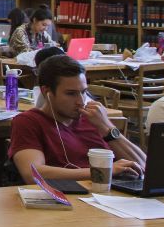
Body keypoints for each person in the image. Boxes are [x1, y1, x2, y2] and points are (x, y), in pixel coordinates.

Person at [8, 54, 145, 184]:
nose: (80, 101)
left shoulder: (94, 120)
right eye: (71, 94)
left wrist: (107, 127)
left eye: (84, 92)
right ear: (46, 92)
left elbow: (143, 165)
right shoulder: (28, 121)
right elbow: (33, 174)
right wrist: (103, 172)